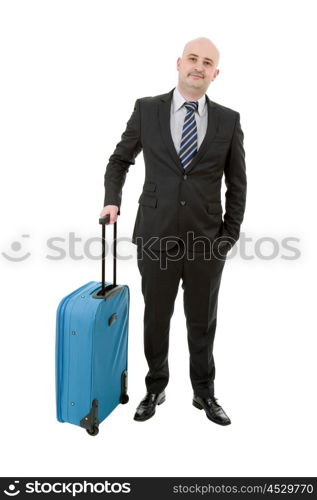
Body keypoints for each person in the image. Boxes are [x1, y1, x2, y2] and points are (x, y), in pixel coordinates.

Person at [100, 37, 247, 425]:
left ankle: (204, 392)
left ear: (216, 73)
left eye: (208, 62)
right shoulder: (148, 109)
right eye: (193, 59)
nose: (199, 67)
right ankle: (154, 387)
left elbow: (238, 183)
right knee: (156, 318)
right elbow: (119, 159)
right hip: (155, 235)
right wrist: (112, 199)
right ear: (179, 63)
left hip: (206, 243)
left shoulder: (229, 120)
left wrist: (226, 238)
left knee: (202, 322)